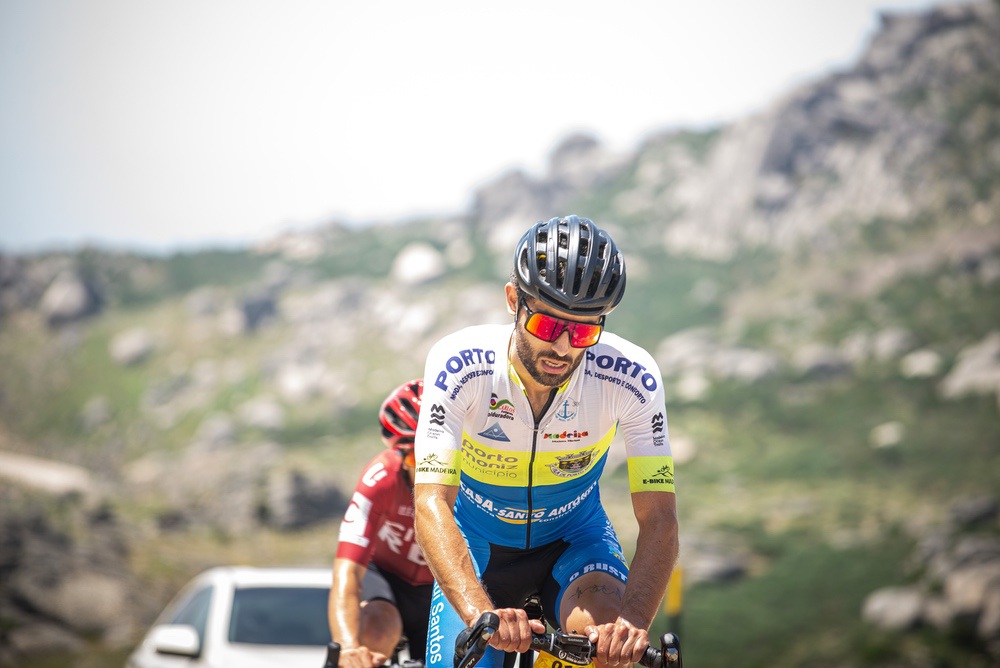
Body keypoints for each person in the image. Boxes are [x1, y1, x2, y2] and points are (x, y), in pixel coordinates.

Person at [413, 215, 679, 668]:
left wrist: (632, 624)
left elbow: (659, 517)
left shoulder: (632, 377)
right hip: (477, 545)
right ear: (512, 300)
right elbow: (430, 502)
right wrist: (477, 611)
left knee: (606, 647)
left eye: (583, 332)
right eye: (548, 326)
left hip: (575, 539)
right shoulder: (461, 366)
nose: (563, 348)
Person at [330, 379, 434, 668]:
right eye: (417, 456)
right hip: (387, 578)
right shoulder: (380, 478)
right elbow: (348, 572)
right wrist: (349, 647)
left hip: (441, 586)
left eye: (439, 454)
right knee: (376, 629)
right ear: (399, 453)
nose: (429, 467)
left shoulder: (474, 482)